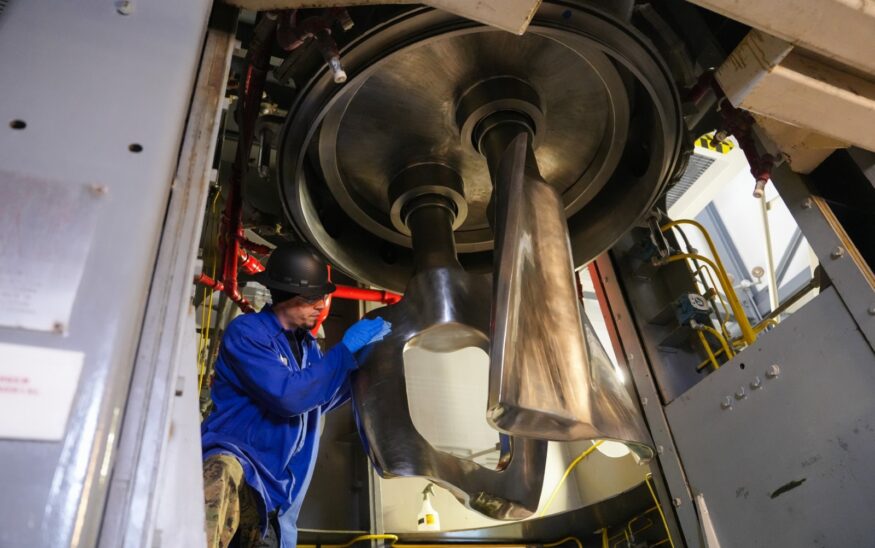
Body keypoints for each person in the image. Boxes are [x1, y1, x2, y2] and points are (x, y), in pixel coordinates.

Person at [201, 242, 391, 548]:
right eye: (312, 298)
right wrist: (343, 352)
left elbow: (319, 399)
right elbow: (290, 397)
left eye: (323, 296)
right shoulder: (248, 333)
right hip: (240, 472)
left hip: (278, 497)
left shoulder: (308, 348)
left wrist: (365, 361)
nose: (321, 305)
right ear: (285, 298)